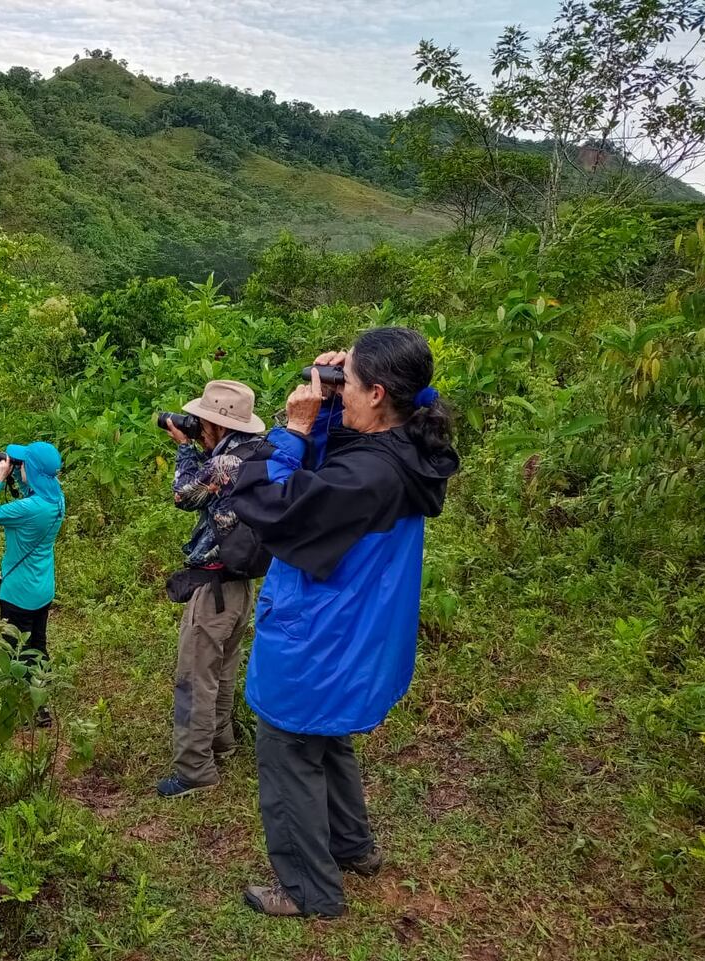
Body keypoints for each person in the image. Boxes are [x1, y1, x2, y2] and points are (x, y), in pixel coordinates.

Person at [228, 327, 459, 918]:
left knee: (287, 749)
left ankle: (308, 890)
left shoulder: (369, 477)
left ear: (378, 393)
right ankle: (352, 847)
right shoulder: (404, 449)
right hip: (358, 633)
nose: (338, 388)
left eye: (347, 382)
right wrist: (330, 406)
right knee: (324, 739)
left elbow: (274, 508)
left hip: (320, 639)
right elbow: (342, 470)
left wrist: (294, 430)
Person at [156, 379, 267, 799]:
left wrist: (184, 448)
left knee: (194, 677)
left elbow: (184, 495)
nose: (199, 427)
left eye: (204, 422)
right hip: (239, 585)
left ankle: (194, 769)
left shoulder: (223, 466)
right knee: (222, 668)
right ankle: (220, 740)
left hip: (214, 586)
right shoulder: (253, 454)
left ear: (219, 425)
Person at [0, 441, 66, 725]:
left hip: (18, 593)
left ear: (32, 470)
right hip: (43, 587)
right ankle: (42, 704)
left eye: (22, 465)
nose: (18, 467)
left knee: (14, 652)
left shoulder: (27, 510)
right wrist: (16, 474)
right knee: (37, 645)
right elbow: (32, 492)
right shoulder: (56, 497)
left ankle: (24, 710)